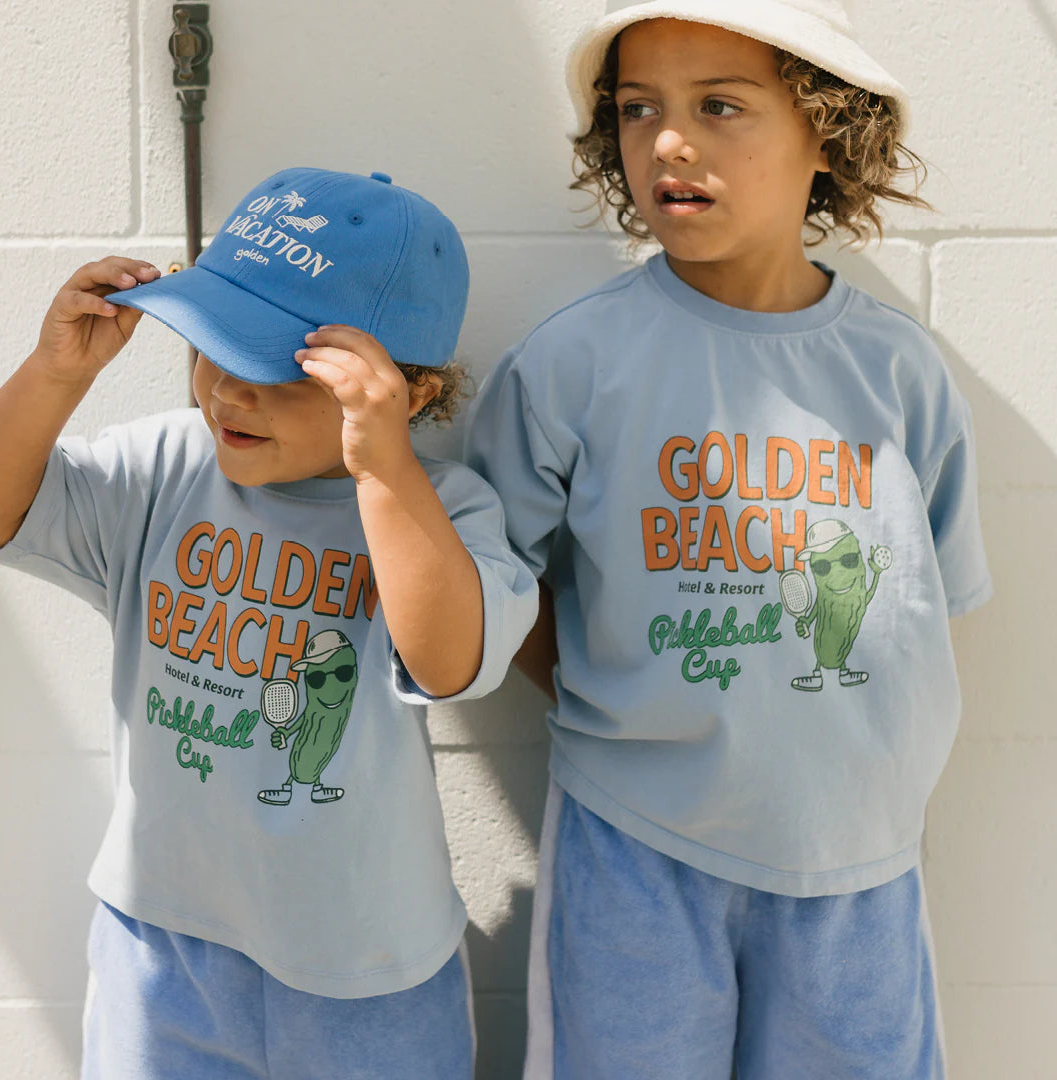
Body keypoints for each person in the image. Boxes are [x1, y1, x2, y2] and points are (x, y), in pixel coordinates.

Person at [464, 3, 990, 1077]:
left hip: (859, 864)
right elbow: (490, 592)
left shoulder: (899, 372)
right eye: (637, 110)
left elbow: (934, 594)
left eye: (719, 106)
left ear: (826, 133)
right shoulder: (573, 363)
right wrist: (605, 691)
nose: (669, 141)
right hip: (638, 847)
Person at [0, 167, 537, 1079]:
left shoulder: (442, 510)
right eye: (212, 349)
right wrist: (55, 374)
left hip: (369, 964)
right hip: (162, 943)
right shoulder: (165, 466)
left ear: (412, 393)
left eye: (280, 371)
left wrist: (385, 471)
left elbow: (449, 662)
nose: (230, 392)